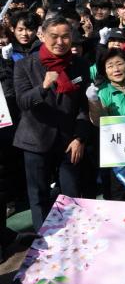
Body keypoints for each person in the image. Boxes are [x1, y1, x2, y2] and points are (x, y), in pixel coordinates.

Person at [13, 15, 92, 232]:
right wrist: (43, 87)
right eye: (54, 36)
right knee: (38, 195)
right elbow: (22, 102)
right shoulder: (25, 65)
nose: (60, 42)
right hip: (35, 139)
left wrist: (79, 137)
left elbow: (84, 106)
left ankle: (73, 238)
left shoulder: (80, 64)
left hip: (69, 140)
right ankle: (43, 244)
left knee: (71, 192)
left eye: (65, 36)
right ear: (42, 36)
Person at [86, 48, 125, 201]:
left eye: (119, 63)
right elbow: (98, 121)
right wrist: (94, 102)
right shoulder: (102, 92)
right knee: (118, 197)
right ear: (104, 71)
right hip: (116, 155)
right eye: (110, 66)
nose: (116, 69)